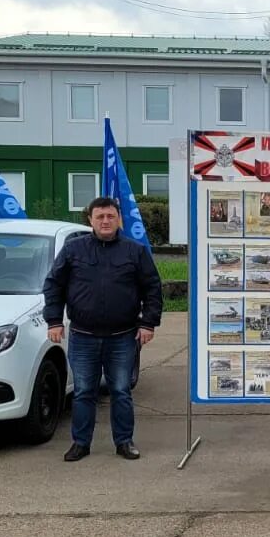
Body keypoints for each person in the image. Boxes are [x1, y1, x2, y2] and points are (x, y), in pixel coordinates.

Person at [42, 196, 163, 461]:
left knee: (121, 390)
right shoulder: (74, 250)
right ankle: (81, 443)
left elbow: (152, 288)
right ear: (91, 220)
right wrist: (53, 320)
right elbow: (53, 285)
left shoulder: (135, 251)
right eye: (100, 217)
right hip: (83, 336)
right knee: (84, 391)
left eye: (110, 216)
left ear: (118, 219)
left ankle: (124, 442)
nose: (105, 221)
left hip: (123, 337)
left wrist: (148, 322)